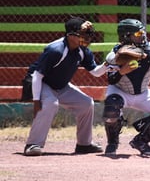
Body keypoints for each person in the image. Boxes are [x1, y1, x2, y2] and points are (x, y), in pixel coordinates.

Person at [23, 17, 109, 156]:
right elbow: (37, 76)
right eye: (83, 33)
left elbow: (95, 72)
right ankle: (33, 144)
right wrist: (36, 100)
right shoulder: (56, 50)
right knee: (51, 103)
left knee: (86, 103)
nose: (87, 37)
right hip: (42, 83)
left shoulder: (83, 51)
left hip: (61, 86)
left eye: (88, 33)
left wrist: (108, 64)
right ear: (70, 35)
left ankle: (84, 144)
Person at [102, 19, 150, 156]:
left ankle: (141, 141)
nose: (142, 36)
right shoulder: (115, 55)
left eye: (142, 32)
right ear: (126, 36)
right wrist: (121, 72)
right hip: (120, 91)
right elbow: (111, 80)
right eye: (137, 34)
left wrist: (145, 56)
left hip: (143, 92)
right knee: (112, 106)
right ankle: (112, 142)